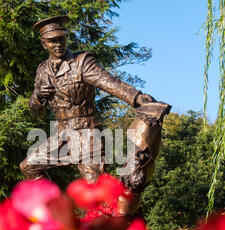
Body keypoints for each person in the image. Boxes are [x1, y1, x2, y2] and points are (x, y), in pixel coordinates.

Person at [20, 15, 157, 187]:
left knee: (96, 194)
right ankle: (52, 207)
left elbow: (110, 83)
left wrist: (136, 97)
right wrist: (38, 96)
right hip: (62, 136)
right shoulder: (43, 70)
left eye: (61, 39)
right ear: (43, 44)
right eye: (52, 41)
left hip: (87, 135)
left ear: (66, 37)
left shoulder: (82, 63)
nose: (58, 44)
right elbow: (34, 110)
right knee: (29, 167)